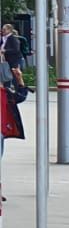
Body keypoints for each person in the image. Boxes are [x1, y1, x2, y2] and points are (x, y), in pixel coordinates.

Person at [0, 24, 26, 154]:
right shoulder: (5, 94)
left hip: (10, 63)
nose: (2, 31)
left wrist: (4, 52)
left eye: (4, 29)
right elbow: (20, 97)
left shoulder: (13, 39)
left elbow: (15, 51)